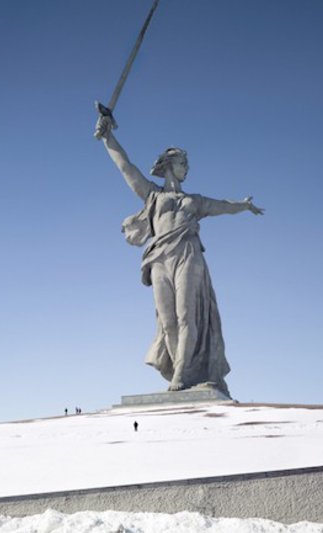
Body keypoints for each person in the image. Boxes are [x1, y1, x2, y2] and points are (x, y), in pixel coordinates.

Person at [95, 114, 263, 394]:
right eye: (183, 163)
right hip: (159, 258)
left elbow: (222, 206)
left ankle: (181, 377)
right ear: (169, 166)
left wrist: (243, 206)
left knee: (187, 317)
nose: (187, 167)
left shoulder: (193, 201)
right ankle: (181, 370)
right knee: (168, 321)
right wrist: (107, 137)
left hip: (188, 255)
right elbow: (126, 168)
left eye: (187, 163)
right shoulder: (153, 196)